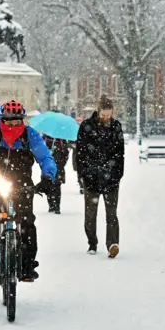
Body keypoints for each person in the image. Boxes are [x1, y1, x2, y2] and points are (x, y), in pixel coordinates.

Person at [0, 100, 57, 281]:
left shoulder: (29, 135)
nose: (13, 125)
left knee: (27, 223)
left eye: (17, 121)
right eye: (9, 121)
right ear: (2, 119)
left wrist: (48, 177)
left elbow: (45, 156)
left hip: (22, 183)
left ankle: (28, 264)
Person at [76, 97, 125, 258]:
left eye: (108, 116)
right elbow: (80, 152)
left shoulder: (116, 127)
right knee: (90, 214)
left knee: (112, 213)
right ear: (98, 112)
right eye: (103, 115)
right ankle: (92, 242)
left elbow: (120, 153)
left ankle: (112, 243)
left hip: (111, 178)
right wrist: (83, 173)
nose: (105, 118)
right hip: (92, 177)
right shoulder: (86, 127)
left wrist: (116, 174)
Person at [42, 135, 69, 214]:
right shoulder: (45, 138)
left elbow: (65, 154)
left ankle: (57, 206)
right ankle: (51, 205)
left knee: (57, 186)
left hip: (58, 167)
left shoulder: (61, 139)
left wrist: (61, 163)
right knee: (48, 185)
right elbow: (40, 152)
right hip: (48, 167)